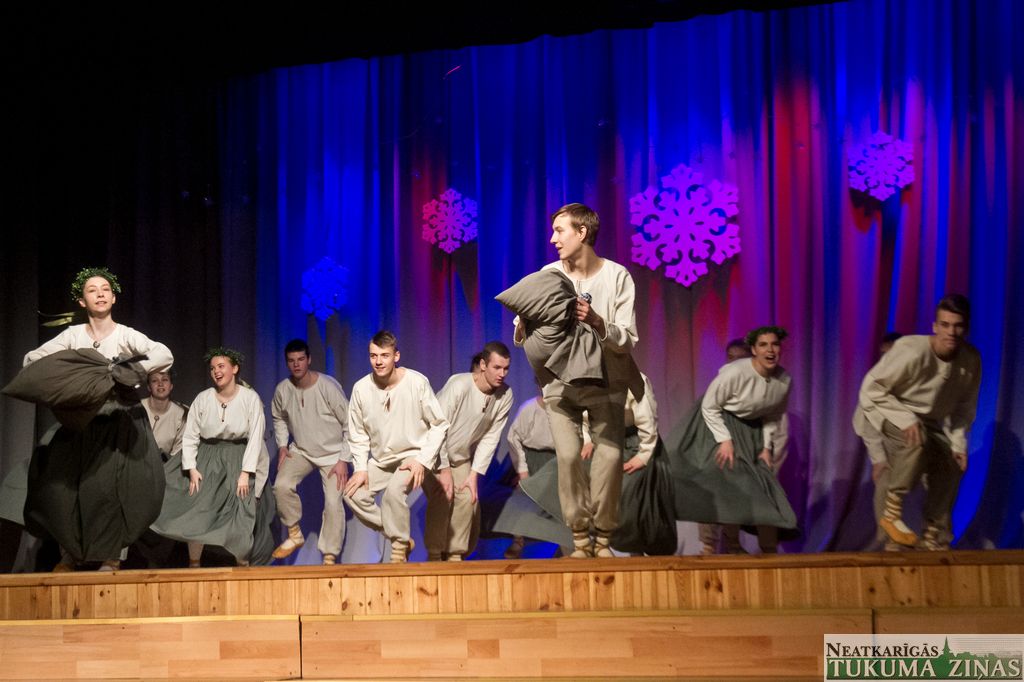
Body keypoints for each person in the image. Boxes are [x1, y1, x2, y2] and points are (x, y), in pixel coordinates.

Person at [21, 267, 173, 571]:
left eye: (105, 289)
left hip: (118, 419)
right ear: (82, 301)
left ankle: (111, 555)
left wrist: (127, 371)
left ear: (114, 298)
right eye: (92, 290)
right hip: (82, 418)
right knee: (67, 487)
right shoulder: (73, 335)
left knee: (110, 489)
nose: (100, 294)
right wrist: (73, 373)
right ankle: (71, 553)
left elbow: (163, 354)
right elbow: (31, 359)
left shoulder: (126, 335)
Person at [514, 203, 639, 558]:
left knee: (610, 457)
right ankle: (580, 535)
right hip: (561, 383)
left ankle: (604, 535)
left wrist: (598, 321)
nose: (552, 239)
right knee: (568, 457)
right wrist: (525, 321)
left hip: (606, 380)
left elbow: (628, 338)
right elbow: (522, 329)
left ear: (582, 233)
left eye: (560, 231)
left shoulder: (617, 277)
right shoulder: (550, 273)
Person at [853, 295, 981, 550]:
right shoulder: (912, 350)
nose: (951, 332)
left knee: (951, 463)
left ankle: (934, 533)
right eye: (945, 325)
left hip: (927, 421)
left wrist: (958, 444)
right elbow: (871, 389)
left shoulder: (970, 359)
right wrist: (880, 453)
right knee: (902, 457)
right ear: (935, 326)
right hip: (885, 410)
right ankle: (891, 521)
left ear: (966, 328)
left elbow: (964, 408)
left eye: (957, 326)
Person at [671, 326, 797, 553]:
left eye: (774, 344)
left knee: (759, 487)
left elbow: (774, 417)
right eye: (763, 345)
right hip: (718, 426)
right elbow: (709, 407)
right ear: (755, 351)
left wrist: (766, 449)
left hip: (751, 432)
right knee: (716, 480)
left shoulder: (781, 381)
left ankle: (766, 549)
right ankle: (715, 546)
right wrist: (725, 440)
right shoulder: (732, 375)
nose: (770, 350)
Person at [151, 348, 273, 567]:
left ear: (234, 369)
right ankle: (194, 565)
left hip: (238, 456)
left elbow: (256, 437)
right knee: (198, 509)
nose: (216, 371)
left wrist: (246, 472)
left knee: (240, 513)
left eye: (221, 366)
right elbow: (190, 435)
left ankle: (243, 567)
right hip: (207, 456)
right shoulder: (203, 398)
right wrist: (191, 468)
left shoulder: (250, 398)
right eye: (213, 368)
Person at [343, 331, 448, 563]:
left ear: (396, 356)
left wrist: (422, 460)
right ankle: (399, 534)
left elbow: (439, 424)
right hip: (382, 461)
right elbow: (357, 434)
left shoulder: (416, 382)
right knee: (352, 495)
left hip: (412, 456)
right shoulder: (361, 389)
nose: (378, 361)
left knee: (393, 493)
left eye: (384, 355)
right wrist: (360, 469)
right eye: (373, 356)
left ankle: (399, 549)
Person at [423, 342, 514, 561]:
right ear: (483, 365)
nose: (502, 374)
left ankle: (455, 556)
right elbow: (437, 428)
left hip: (462, 457)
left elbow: (491, 437)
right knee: (443, 495)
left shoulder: (505, 395)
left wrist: (474, 474)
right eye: (497, 368)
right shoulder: (459, 385)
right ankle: (435, 555)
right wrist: (444, 469)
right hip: (434, 453)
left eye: (506, 368)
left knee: (468, 498)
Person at [270, 339, 350, 565]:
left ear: (309, 360)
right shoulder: (283, 390)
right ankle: (294, 534)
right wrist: (282, 445)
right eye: (291, 361)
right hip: (302, 450)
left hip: (333, 455)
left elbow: (350, 423)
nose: (296, 365)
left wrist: (344, 459)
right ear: (287, 363)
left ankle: (329, 556)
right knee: (281, 485)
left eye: (301, 359)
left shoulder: (328, 387)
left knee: (333, 503)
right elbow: (278, 417)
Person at [699, 339, 751, 554]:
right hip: (716, 453)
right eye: (731, 358)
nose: (734, 363)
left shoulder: (754, 390)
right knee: (709, 496)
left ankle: (733, 543)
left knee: (735, 499)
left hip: (743, 456)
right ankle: (708, 546)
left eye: (740, 358)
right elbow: (706, 416)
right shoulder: (719, 385)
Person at [142, 370, 187, 458]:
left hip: (166, 464)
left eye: (165, 379)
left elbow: (177, 454)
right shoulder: (137, 408)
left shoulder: (181, 414)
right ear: (149, 387)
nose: (160, 384)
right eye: (154, 380)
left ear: (171, 386)